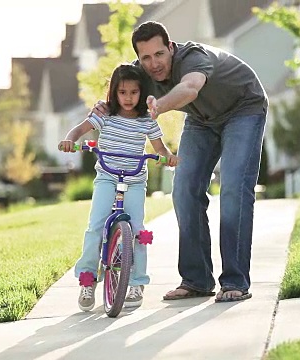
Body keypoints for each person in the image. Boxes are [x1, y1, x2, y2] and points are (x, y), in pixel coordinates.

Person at [92, 21, 268, 302]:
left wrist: (160, 106)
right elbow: (121, 94)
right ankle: (196, 280)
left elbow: (190, 87)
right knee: (184, 190)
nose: (154, 63)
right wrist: (104, 107)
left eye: (159, 54)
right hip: (202, 119)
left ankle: (235, 281)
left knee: (234, 189)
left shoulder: (193, 58)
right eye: (146, 57)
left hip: (243, 107)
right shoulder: (141, 72)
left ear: (171, 48)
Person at [59, 64, 179, 312]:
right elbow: (79, 129)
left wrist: (169, 157)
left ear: (141, 92)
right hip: (107, 177)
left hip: (134, 180)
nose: (127, 98)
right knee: (95, 225)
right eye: (122, 92)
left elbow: (159, 148)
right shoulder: (104, 115)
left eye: (134, 92)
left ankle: (136, 282)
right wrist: (71, 139)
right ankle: (88, 279)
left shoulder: (147, 121)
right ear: (114, 92)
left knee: (137, 230)